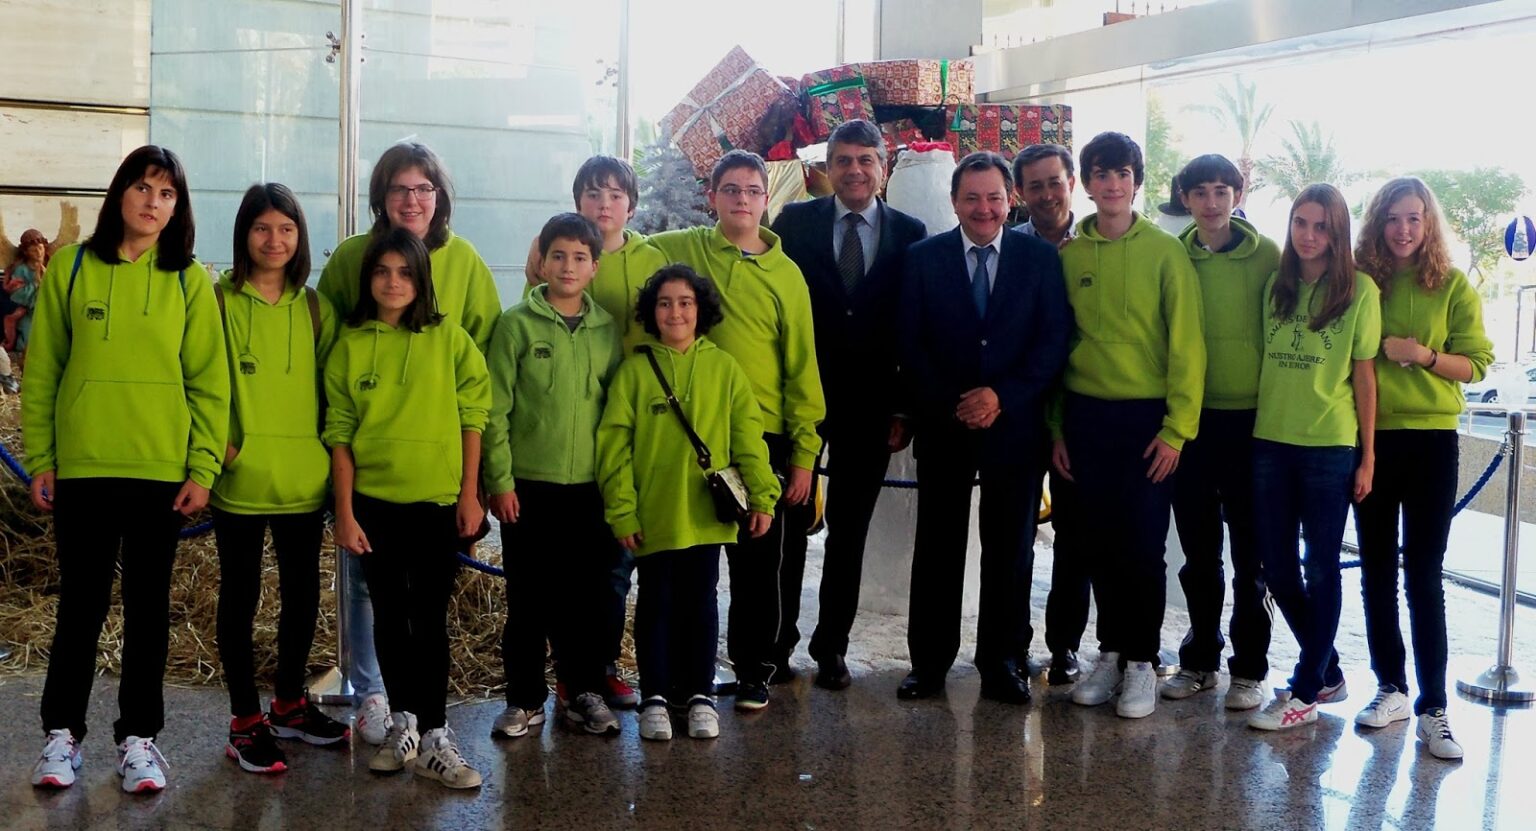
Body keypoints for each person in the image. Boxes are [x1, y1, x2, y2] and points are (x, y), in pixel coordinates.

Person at [24, 145, 230, 793]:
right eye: (142, 187)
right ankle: (62, 735)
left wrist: (202, 467)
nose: (152, 202)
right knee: (80, 606)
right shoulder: (70, 268)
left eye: (166, 193)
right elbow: (44, 369)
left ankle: (139, 738)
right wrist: (41, 458)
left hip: (159, 472)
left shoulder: (189, 279)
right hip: (84, 469)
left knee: (148, 609)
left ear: (177, 208)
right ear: (120, 193)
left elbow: (209, 382)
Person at [316, 141, 501, 742]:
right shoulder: (350, 257)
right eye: (399, 188)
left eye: (423, 188)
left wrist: (478, 482)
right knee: (369, 590)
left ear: (439, 196)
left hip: (436, 475)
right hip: (371, 469)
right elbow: (333, 346)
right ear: (381, 196)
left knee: (426, 607)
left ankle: (430, 720)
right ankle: (375, 695)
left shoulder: (464, 263)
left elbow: (480, 376)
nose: (412, 199)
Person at [648, 149, 826, 711]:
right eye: (731, 190)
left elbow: (802, 369)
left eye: (752, 191)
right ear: (713, 198)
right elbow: (624, 248)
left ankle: (755, 670)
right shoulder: (688, 248)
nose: (742, 200)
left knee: (758, 563)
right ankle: (686, 677)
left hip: (763, 439)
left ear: (765, 199)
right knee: (692, 564)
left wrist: (804, 454)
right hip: (696, 437)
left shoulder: (787, 275)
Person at [896, 151, 1071, 703]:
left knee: (1010, 549)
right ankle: (928, 664)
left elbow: (1052, 342)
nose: (984, 208)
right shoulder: (923, 259)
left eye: (994, 197)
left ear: (1009, 200)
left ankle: (1002, 662)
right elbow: (910, 345)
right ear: (954, 202)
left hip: (1015, 426)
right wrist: (956, 404)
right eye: (971, 198)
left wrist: (1001, 396)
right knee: (938, 547)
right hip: (944, 424)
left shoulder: (1039, 259)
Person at [1051, 132, 1205, 720]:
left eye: (1122, 173)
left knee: (1142, 545)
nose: (1112, 184)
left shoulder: (1166, 253)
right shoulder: (1070, 256)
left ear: (1136, 182)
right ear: (1086, 184)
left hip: (1147, 420)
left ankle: (1142, 659)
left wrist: (1176, 429)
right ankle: (1111, 652)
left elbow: (1187, 345)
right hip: (1086, 417)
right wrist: (1058, 427)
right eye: (1101, 173)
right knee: (1096, 543)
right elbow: (1059, 344)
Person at [770, 119, 927, 690]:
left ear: (884, 168)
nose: (855, 170)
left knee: (848, 531)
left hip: (873, 408)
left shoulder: (910, 233)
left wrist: (904, 408)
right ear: (827, 168)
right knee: (787, 527)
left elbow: (914, 323)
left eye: (866, 159)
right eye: (843, 160)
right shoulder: (794, 223)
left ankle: (831, 646)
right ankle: (776, 646)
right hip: (799, 400)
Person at [596, 265, 779, 740]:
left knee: (701, 602)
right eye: (664, 303)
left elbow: (748, 439)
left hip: (706, 516)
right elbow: (613, 449)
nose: (674, 312)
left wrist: (763, 496)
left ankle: (699, 694)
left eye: (685, 302)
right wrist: (622, 510)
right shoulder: (634, 372)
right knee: (655, 603)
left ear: (701, 310)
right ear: (650, 311)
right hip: (653, 514)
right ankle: (655, 696)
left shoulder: (725, 369)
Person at [1350, 177, 1492, 759]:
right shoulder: (1362, 281)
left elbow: (1477, 364)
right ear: (1378, 223)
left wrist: (1424, 355)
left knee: (1424, 576)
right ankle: (1391, 688)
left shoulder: (1452, 284)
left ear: (1428, 223)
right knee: (1376, 571)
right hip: (1371, 440)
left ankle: (1434, 707)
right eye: (1392, 218)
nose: (1403, 229)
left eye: (1414, 218)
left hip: (1433, 443)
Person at [211, 183, 349, 774]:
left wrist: (326, 461)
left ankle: (289, 703)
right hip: (238, 482)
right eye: (262, 228)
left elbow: (334, 394)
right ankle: (245, 720)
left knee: (302, 596)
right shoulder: (215, 302)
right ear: (244, 233)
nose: (275, 240)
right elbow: (196, 380)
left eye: (286, 229)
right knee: (239, 597)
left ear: (300, 237)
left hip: (302, 483)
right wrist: (224, 449)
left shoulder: (316, 308)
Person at [525, 155, 667, 710]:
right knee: (581, 568)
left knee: (621, 565)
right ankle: (574, 673)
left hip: (643, 426)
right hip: (577, 434)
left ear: (631, 204)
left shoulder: (653, 258)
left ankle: (605, 668)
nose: (604, 204)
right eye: (592, 193)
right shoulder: (555, 255)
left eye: (614, 194)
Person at [485, 213, 625, 738]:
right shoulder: (515, 325)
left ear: (595, 267)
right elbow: (495, 410)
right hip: (528, 488)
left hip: (590, 489)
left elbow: (617, 415)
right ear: (541, 262)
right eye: (558, 255)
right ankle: (524, 699)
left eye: (580, 257)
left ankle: (581, 691)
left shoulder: (607, 331)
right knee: (527, 598)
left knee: (585, 599)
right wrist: (500, 481)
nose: (568, 266)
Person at [1247, 183, 1379, 732]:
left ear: (1337, 232)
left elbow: (1365, 376)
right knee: (1277, 567)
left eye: (1321, 226)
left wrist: (1368, 457)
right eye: (1300, 223)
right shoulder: (1276, 286)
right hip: (1270, 441)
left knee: (1321, 567)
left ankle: (1305, 691)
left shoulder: (1360, 291)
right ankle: (1327, 671)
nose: (1308, 235)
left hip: (1329, 446)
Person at [1161, 155, 1281, 711]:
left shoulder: (1270, 257)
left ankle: (1250, 668)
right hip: (1191, 421)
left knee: (1251, 558)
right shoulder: (1173, 255)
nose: (1211, 202)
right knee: (1198, 554)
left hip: (1252, 424)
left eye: (1221, 191)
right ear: (1185, 198)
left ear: (1238, 193)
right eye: (1200, 192)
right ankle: (1200, 658)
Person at [1012, 143, 1086, 685]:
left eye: (1053, 182)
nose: (1045, 194)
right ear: (1020, 192)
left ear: (1072, 183)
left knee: (1075, 534)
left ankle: (1065, 645)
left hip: (1081, 407)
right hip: (1020, 408)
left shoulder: (1099, 244)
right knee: (1015, 535)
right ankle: (1013, 643)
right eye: (1034, 185)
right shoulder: (1010, 246)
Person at [4, 227, 46, 354]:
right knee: (28, 340)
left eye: (41, 248)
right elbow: (16, 295)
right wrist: (35, 284)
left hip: (44, 311)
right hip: (27, 312)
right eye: (34, 250)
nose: (38, 253)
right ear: (26, 252)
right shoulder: (21, 270)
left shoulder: (50, 267)